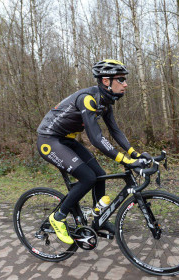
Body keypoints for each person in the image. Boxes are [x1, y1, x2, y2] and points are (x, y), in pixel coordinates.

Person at [36, 59, 150, 244]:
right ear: (106, 81)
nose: (125, 84)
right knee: (88, 177)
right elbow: (96, 138)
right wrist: (125, 161)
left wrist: (134, 154)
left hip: (66, 140)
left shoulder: (105, 102)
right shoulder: (88, 99)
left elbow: (115, 131)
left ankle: (99, 221)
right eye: (121, 79)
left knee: (99, 174)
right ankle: (58, 217)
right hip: (49, 140)